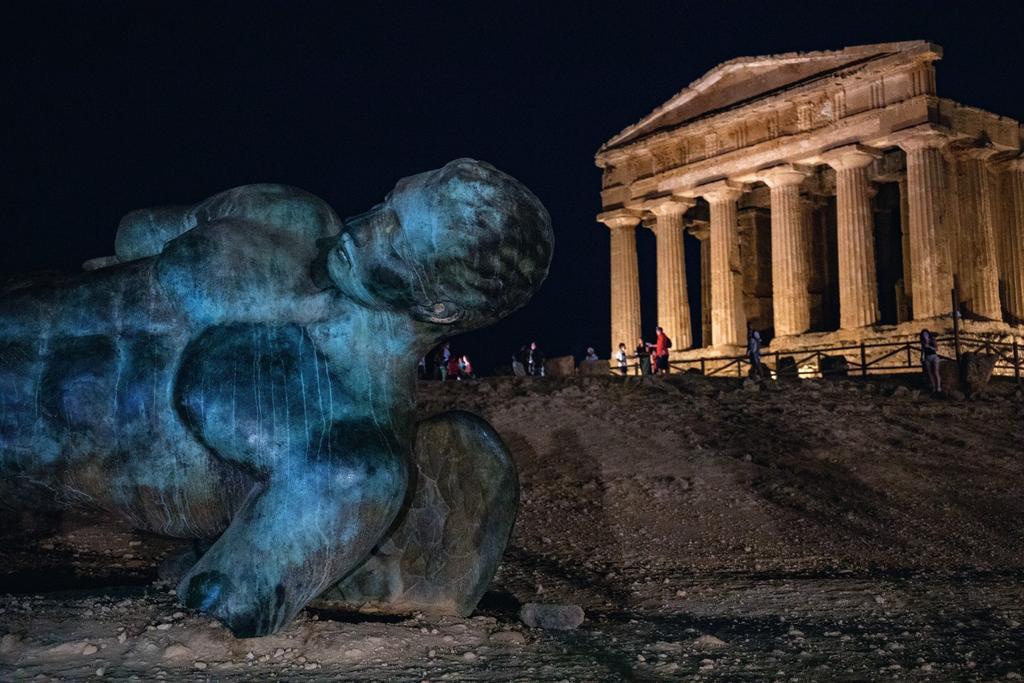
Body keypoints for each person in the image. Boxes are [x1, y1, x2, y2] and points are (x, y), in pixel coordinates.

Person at [920, 328, 941, 393]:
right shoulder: (923, 342)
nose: (925, 335)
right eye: (923, 334)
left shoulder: (932, 340)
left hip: (934, 357)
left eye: (926, 334)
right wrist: (922, 357)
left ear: (928, 334)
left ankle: (938, 387)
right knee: (929, 373)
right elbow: (923, 351)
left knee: (935, 372)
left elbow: (936, 349)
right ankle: (933, 387)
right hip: (927, 358)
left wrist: (928, 346)